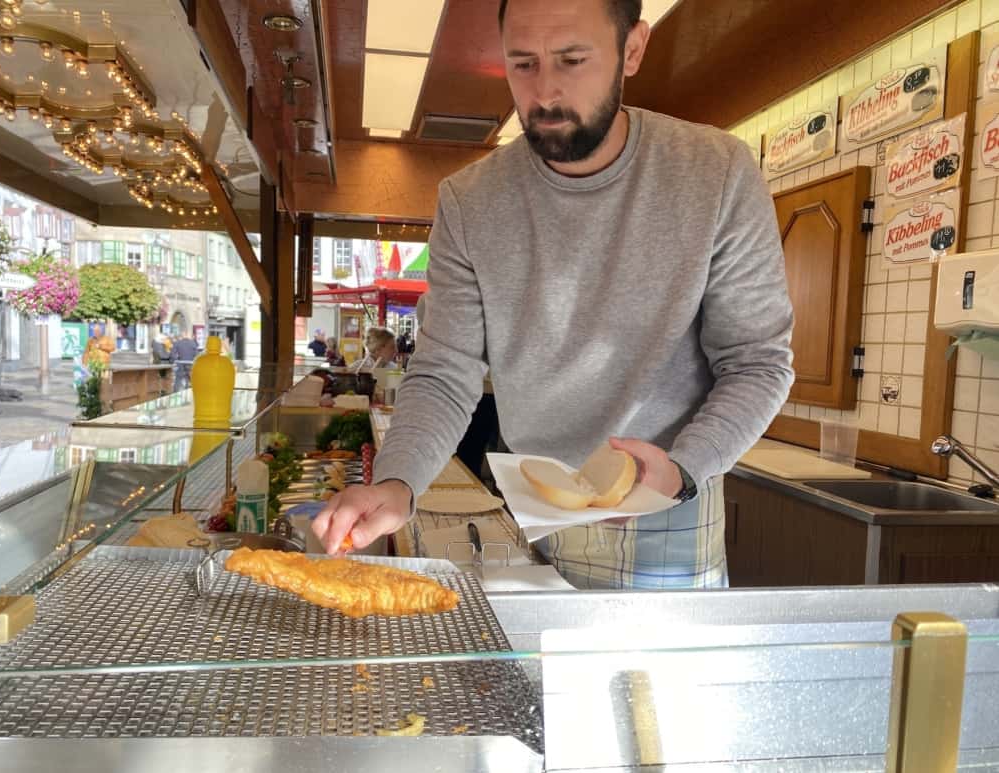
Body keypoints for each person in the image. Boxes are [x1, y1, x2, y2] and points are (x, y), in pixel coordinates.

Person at [313, 0, 794, 590]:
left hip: (667, 500)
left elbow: (757, 362)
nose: (544, 92)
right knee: (533, 680)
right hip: (531, 500)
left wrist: (685, 468)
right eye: (523, 64)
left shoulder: (717, 172)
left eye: (571, 59)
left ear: (633, 49)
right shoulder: (471, 201)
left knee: (652, 684)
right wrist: (397, 482)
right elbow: (443, 372)